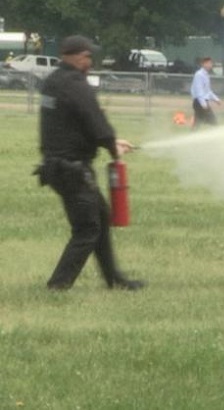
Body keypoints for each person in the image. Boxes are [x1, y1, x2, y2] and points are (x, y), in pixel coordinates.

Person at [35, 35, 144, 291]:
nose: (90, 60)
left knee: (100, 218)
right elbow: (95, 121)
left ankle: (114, 279)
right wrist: (112, 145)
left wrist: (111, 142)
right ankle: (58, 285)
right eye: (86, 56)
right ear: (73, 56)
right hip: (71, 168)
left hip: (56, 165)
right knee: (87, 228)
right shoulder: (76, 84)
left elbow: (73, 123)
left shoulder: (53, 82)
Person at [190, 56, 221, 128]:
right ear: (203, 64)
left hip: (201, 102)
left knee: (197, 123)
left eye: (211, 63)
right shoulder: (199, 74)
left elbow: (207, 91)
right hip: (199, 102)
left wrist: (216, 99)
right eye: (208, 63)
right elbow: (199, 90)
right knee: (213, 122)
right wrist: (203, 104)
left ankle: (193, 136)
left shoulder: (206, 75)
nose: (210, 65)